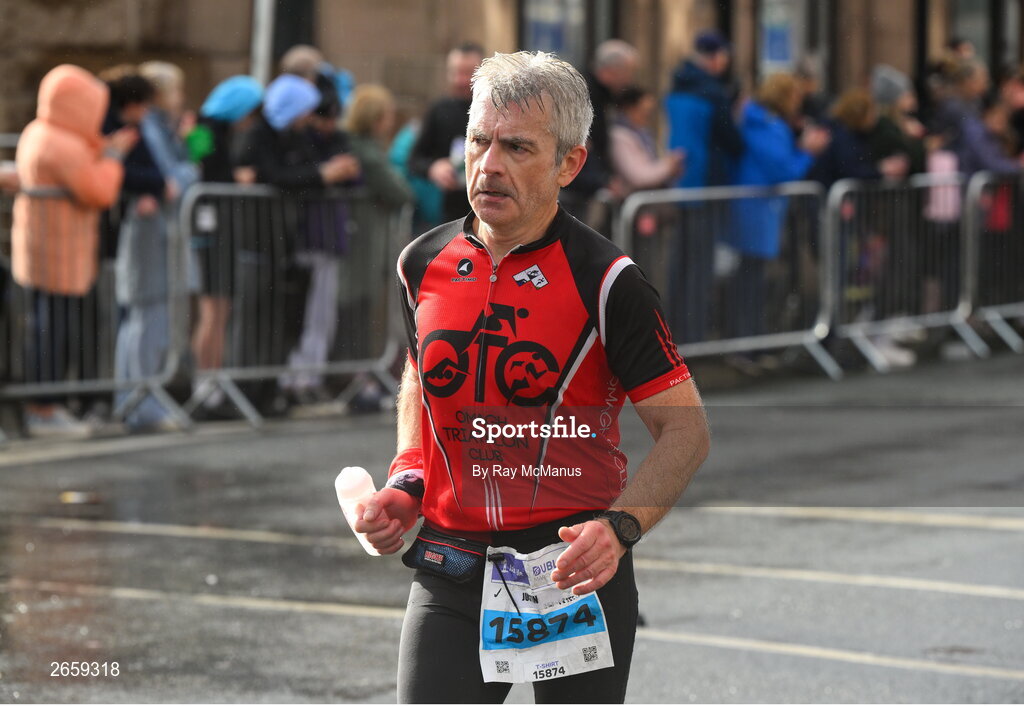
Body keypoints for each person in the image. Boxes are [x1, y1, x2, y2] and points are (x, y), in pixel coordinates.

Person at [353, 50, 710, 703]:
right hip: (450, 564)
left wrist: (620, 528)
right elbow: (419, 378)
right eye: (479, 142)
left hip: (568, 568)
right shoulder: (421, 263)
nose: (489, 165)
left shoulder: (608, 281)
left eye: (517, 147)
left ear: (568, 163)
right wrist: (407, 480)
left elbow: (686, 433)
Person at [12, 64, 136, 436]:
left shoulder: (42, 132)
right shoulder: (61, 145)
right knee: (52, 332)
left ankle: (49, 406)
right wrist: (114, 157)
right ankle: (44, 410)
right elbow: (99, 191)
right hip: (59, 255)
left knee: (50, 328)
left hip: (50, 251)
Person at [727, 73, 830, 340]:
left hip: (761, 208)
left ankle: (751, 338)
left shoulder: (763, 121)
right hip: (757, 209)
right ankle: (747, 340)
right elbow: (782, 170)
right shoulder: (764, 123)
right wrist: (807, 151)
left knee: (753, 278)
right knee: (751, 279)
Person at [186, 75, 264, 416]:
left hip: (220, 230)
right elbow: (205, 175)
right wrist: (236, 180)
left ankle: (213, 383)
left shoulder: (215, 131)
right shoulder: (203, 132)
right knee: (212, 310)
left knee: (219, 310)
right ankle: (204, 386)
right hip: (209, 231)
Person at [664, 30, 745, 344]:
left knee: (679, 262)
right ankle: (694, 337)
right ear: (717, 56)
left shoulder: (678, 83)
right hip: (706, 183)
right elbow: (732, 140)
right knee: (699, 264)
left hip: (681, 182)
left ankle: (672, 331)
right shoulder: (713, 92)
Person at [559, 39, 640, 226]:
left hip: (585, 184)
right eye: (628, 72)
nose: (629, 79)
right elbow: (584, 144)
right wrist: (602, 180)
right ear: (613, 70)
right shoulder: (583, 92)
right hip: (576, 187)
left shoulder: (603, 95)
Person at [408, 42, 484, 223]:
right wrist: (433, 168)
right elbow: (415, 160)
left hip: (495, 209)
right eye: (456, 72)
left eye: (468, 73)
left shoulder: (500, 110)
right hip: (452, 214)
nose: (460, 80)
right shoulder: (439, 110)